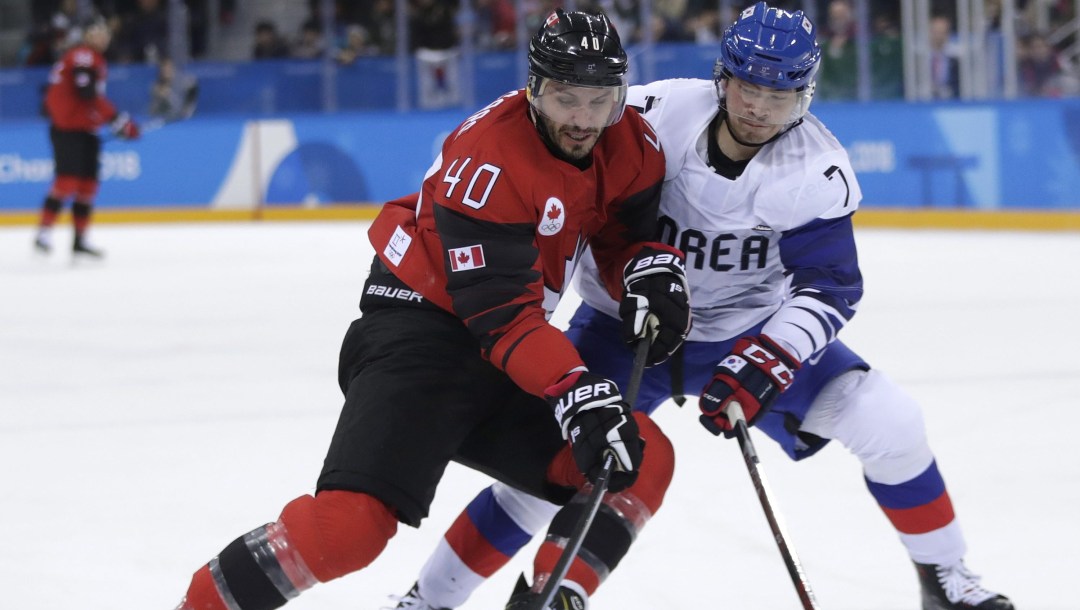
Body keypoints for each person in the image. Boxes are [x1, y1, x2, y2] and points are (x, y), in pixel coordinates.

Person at [387, 4, 1016, 610]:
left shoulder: (815, 167)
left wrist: (771, 358)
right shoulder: (654, 113)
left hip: (746, 333)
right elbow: (563, 158)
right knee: (547, 477)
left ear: (806, 97)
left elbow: (830, 287)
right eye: (748, 88)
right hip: (622, 325)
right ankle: (428, 599)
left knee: (890, 421)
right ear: (723, 76)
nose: (759, 109)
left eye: (781, 97)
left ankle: (946, 577)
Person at [173, 9, 690, 610]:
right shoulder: (487, 164)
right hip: (421, 331)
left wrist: (644, 269)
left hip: (511, 347)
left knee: (638, 456)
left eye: (598, 100)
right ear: (533, 88)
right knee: (350, 530)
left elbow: (620, 234)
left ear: (620, 96)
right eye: (563, 97)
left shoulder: (631, 143)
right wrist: (573, 389)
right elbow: (503, 320)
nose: (581, 119)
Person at [34, 18, 140, 259]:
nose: (102, 38)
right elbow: (87, 93)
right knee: (67, 182)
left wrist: (112, 121)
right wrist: (118, 120)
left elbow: (86, 99)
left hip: (85, 129)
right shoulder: (83, 56)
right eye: (96, 33)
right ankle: (44, 233)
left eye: (105, 34)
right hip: (68, 129)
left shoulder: (92, 59)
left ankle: (79, 240)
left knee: (88, 185)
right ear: (86, 35)